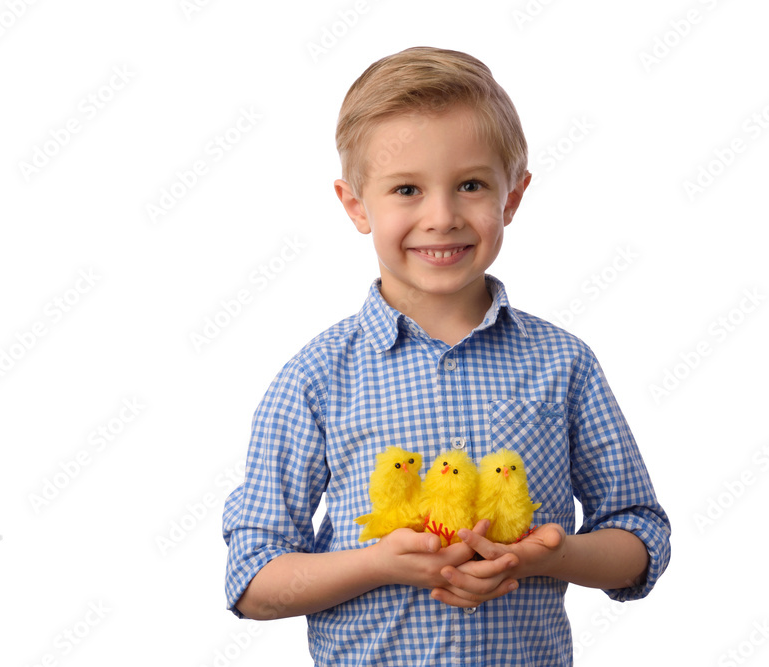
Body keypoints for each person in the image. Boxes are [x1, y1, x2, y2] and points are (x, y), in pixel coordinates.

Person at [222, 46, 671, 665]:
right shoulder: (315, 378)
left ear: (511, 197)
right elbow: (252, 581)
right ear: (356, 205)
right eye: (406, 189)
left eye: (470, 185)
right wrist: (378, 564)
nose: (442, 217)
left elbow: (640, 537)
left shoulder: (563, 363)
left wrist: (555, 553)